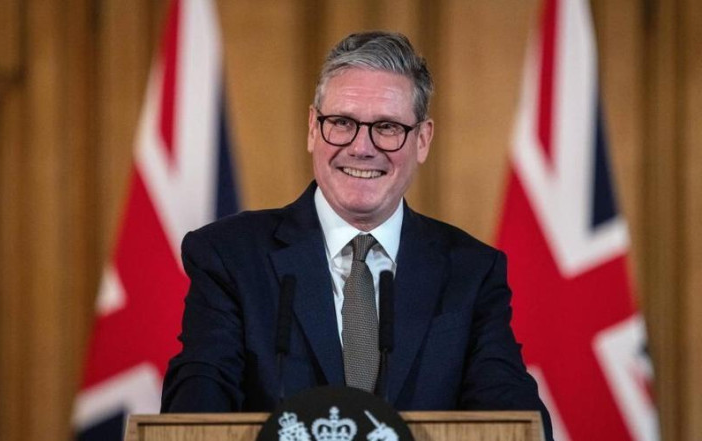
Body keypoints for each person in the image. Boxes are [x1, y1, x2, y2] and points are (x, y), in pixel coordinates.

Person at [161, 31, 553, 440]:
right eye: (342, 123)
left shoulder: (470, 272)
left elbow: (518, 424)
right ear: (313, 128)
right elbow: (193, 416)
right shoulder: (231, 257)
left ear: (422, 140)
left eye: (387, 127)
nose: (361, 148)